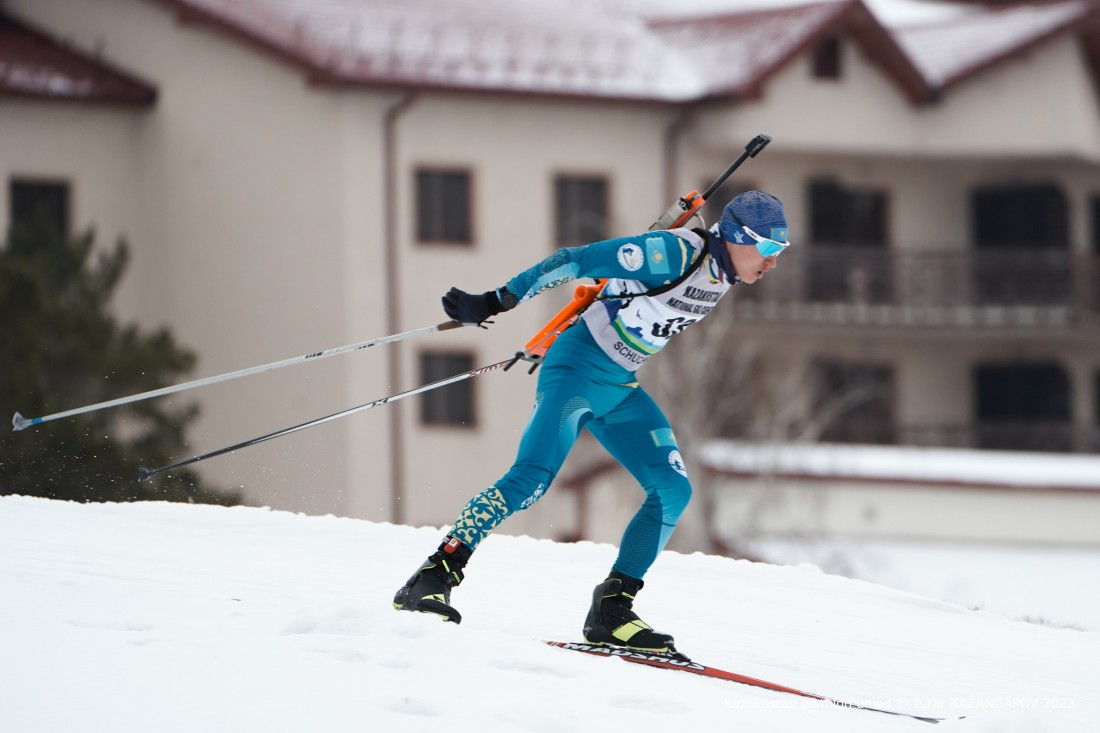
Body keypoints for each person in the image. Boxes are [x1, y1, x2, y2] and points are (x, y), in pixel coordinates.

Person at [393, 190, 790, 652]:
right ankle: (432, 576)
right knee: (532, 480)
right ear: (738, 237)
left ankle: (612, 610)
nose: (772, 263)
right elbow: (573, 260)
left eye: (780, 252)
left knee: (673, 489)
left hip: (619, 386)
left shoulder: (725, 273)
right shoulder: (674, 252)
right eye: (767, 249)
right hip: (576, 373)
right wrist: (497, 300)